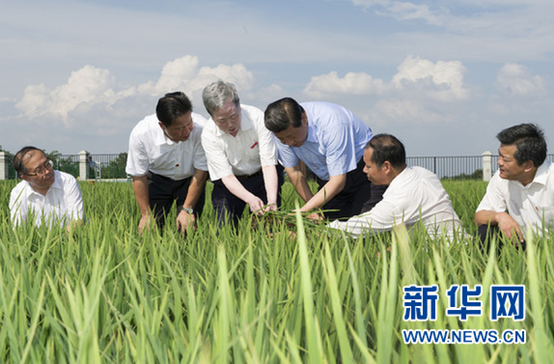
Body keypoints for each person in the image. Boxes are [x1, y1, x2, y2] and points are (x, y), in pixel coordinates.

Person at [264, 97, 386, 220]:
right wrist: (313, 208)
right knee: (329, 229)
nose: (288, 143)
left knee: (364, 228)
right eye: (282, 139)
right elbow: (294, 173)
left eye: (292, 136)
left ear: (304, 118)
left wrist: (304, 210)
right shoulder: (281, 130)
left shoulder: (333, 124)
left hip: (364, 174)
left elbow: (338, 180)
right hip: (328, 179)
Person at [328, 134, 462, 239]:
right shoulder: (423, 173)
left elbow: (362, 226)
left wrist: (323, 228)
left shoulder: (400, 198)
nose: (364, 170)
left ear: (386, 167)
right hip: (457, 244)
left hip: (441, 254)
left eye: (368, 166)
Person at [201, 81, 283, 226]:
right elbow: (226, 176)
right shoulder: (208, 134)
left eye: (233, 116)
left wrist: (271, 200)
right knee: (224, 229)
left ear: (239, 105)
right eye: (222, 121)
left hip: (262, 177)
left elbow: (269, 164)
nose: (230, 125)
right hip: (230, 182)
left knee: (267, 227)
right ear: (212, 116)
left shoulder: (257, 118)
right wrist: (250, 198)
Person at [126, 91, 209, 233]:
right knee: (150, 231)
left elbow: (201, 172)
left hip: (190, 180)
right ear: (162, 125)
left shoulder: (202, 129)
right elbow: (138, 175)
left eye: (189, 123)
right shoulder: (142, 134)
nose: (187, 131)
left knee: (188, 230)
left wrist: (187, 209)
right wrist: (145, 215)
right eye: (179, 128)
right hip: (157, 180)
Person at [474, 123, 553, 250]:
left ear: (527, 165)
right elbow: (479, 217)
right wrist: (499, 216)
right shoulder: (502, 178)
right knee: (486, 231)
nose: (499, 162)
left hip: (549, 250)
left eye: (505, 160)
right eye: (499, 155)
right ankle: (484, 269)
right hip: (519, 246)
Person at [9, 146, 84, 230]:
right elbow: (18, 229)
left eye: (47, 164)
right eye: (39, 170)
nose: (48, 171)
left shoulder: (67, 181)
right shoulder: (18, 193)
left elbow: (77, 220)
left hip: (72, 238)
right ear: (26, 178)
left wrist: (59, 241)